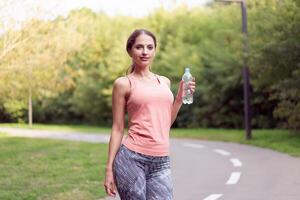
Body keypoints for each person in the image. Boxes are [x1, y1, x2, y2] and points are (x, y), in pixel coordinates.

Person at [104, 29, 196, 200]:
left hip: (161, 160)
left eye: (149, 47)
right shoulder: (123, 83)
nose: (145, 52)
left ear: (154, 50)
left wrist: (179, 99)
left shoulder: (164, 82)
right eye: (139, 47)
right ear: (130, 50)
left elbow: (164, 123)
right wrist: (109, 169)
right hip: (131, 158)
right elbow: (117, 128)